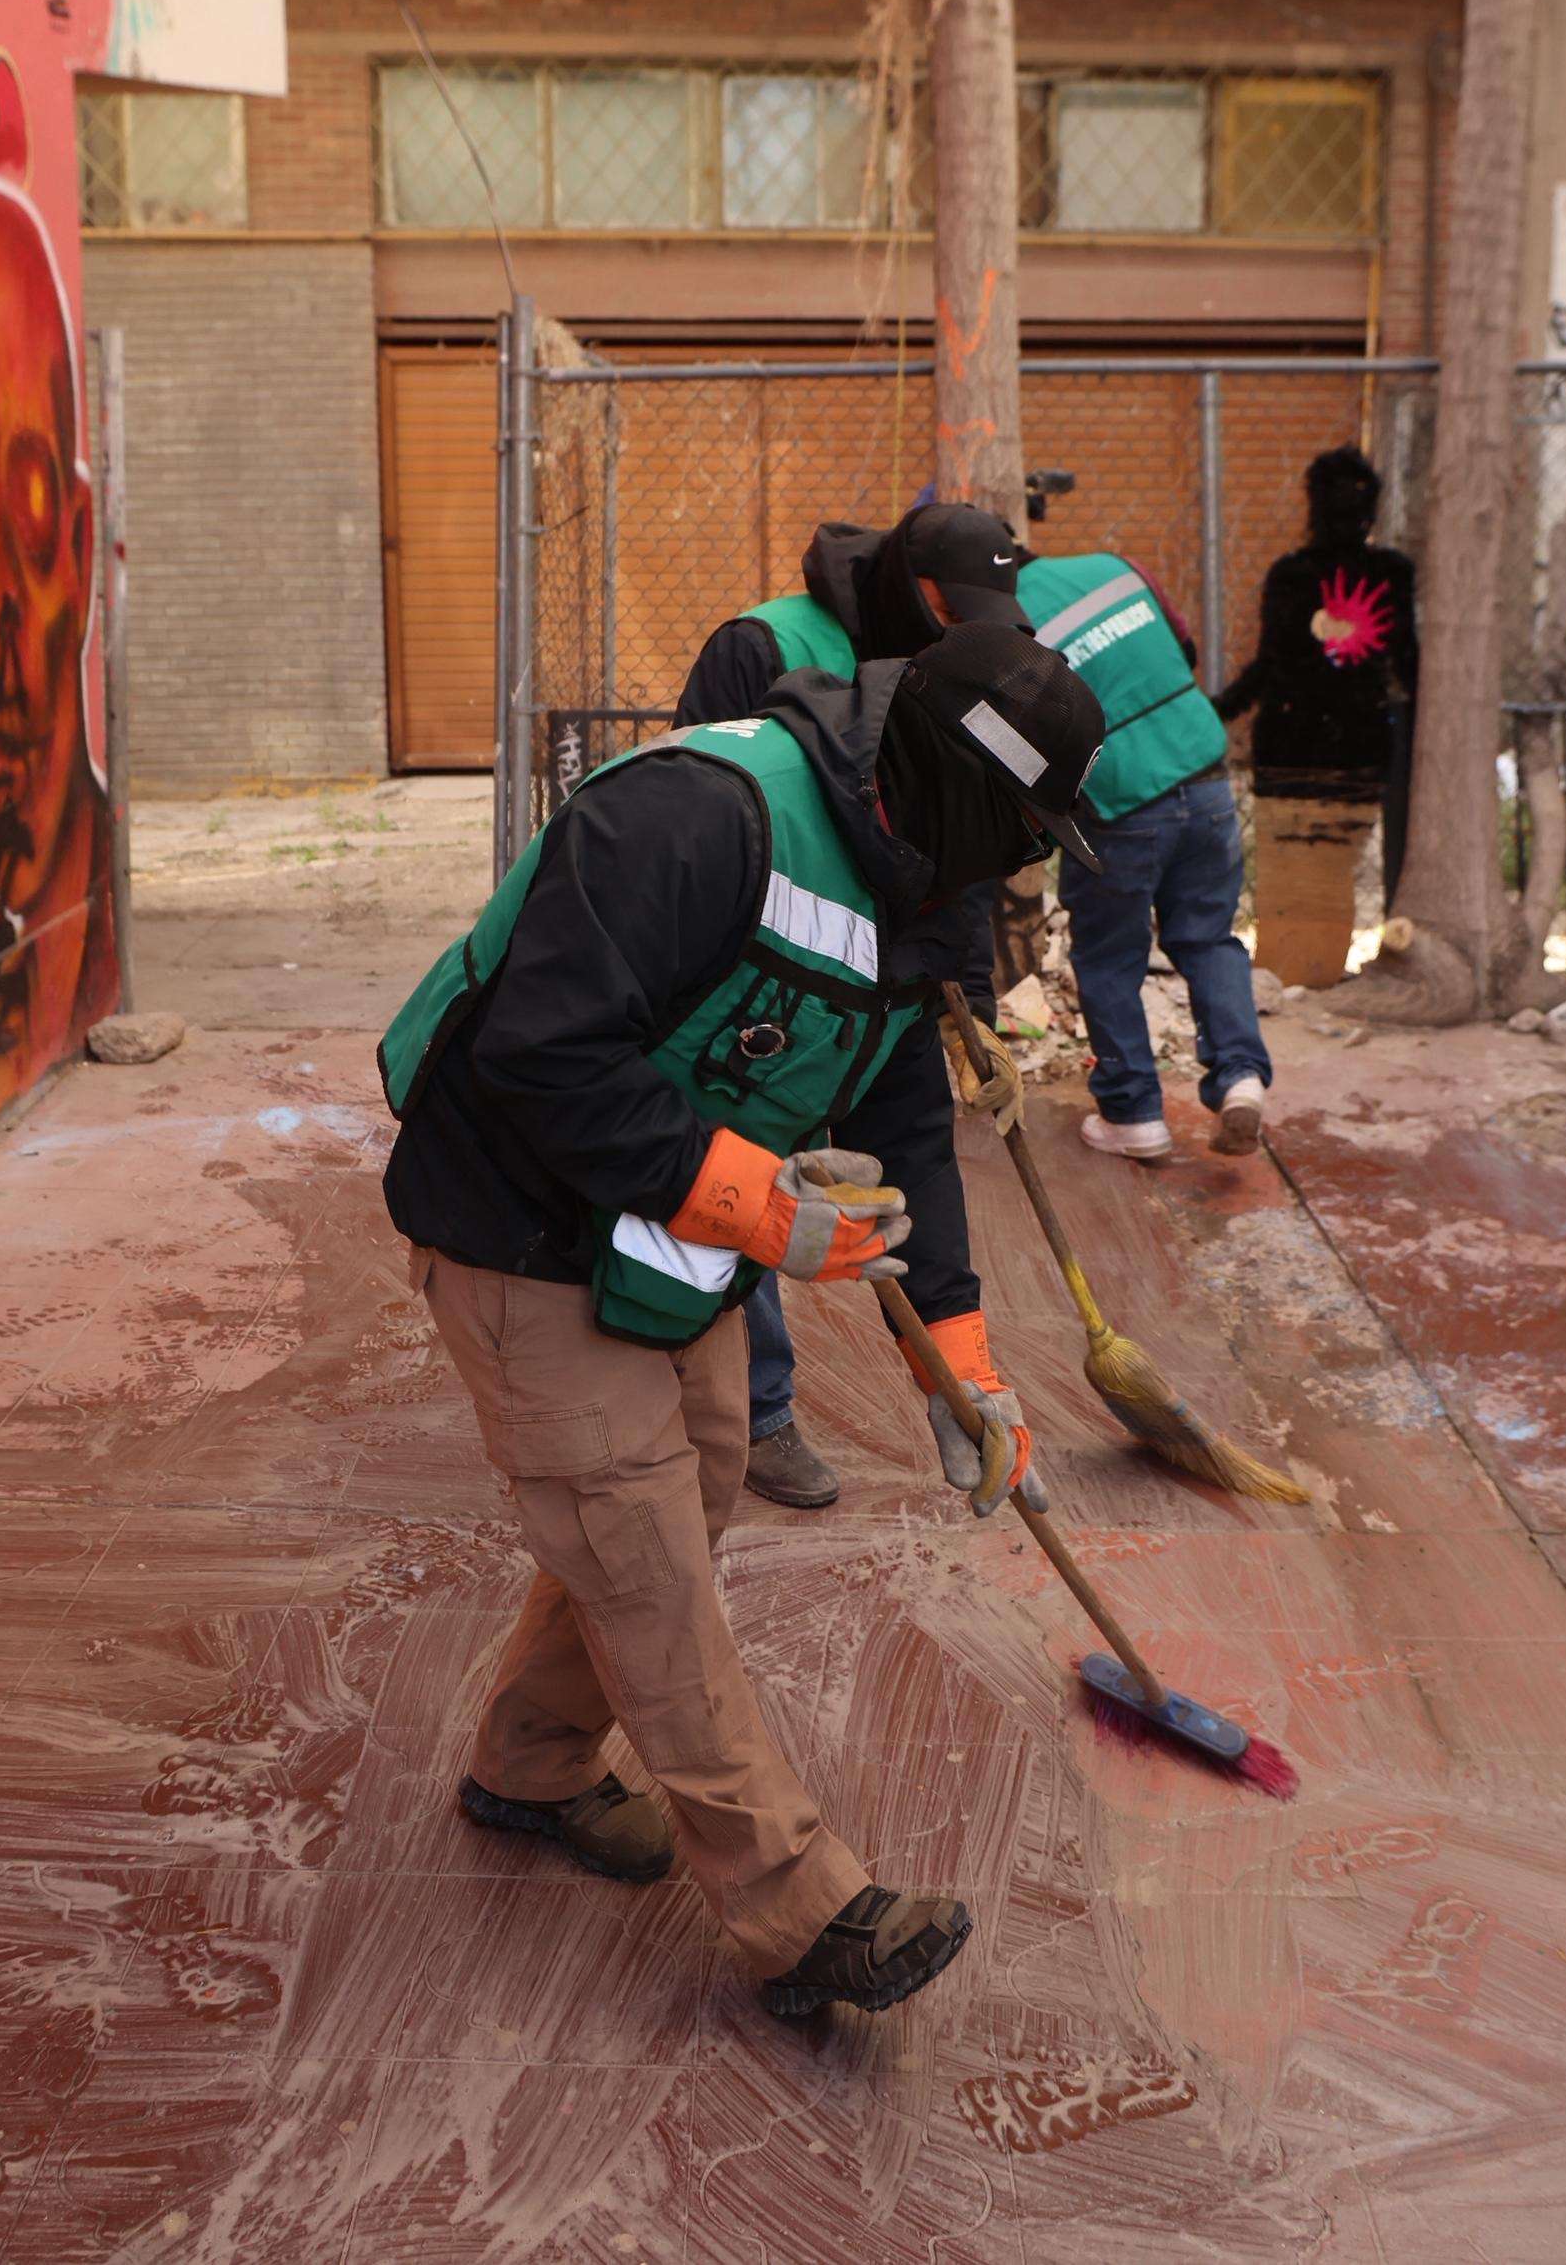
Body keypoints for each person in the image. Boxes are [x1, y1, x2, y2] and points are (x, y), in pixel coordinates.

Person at [376, 622, 1111, 2019]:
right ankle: (802, 1910)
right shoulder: (692, 817)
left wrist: (958, 1362)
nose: (1024, 869)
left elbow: (904, 1111)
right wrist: (759, 1208)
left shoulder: (925, 874)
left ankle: (529, 1766)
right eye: (1024, 835)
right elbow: (539, 1051)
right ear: (964, 792)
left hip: (667, 1237)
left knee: (696, 1482)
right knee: (642, 1556)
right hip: (519, 1221)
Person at [671, 502, 1025, 1510]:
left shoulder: (961, 664)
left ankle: (778, 1393)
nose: (969, 631)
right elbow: (692, 809)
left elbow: (966, 848)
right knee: (736, 1174)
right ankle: (755, 1410)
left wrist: (971, 1007)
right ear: (912, 587)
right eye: (957, 611)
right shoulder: (763, 647)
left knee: (903, 1145)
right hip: (747, 972)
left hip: (876, 959)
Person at [1016, 545, 1271, 1160]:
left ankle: (1134, 1116)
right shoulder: (1114, 567)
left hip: (1121, 797)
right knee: (1208, 939)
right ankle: (1240, 1075)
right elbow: (1184, 647)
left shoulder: (1005, 621)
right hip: (1204, 775)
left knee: (1108, 958)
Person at [1211, 447, 1418, 989]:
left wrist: (1214, 713)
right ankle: (1319, 977)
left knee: (1288, 872)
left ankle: (1284, 978)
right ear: (1372, 509)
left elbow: (1268, 665)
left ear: (1311, 504)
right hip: (1358, 748)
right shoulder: (1393, 574)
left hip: (1289, 746)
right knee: (1331, 874)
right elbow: (1409, 664)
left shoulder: (1291, 575)